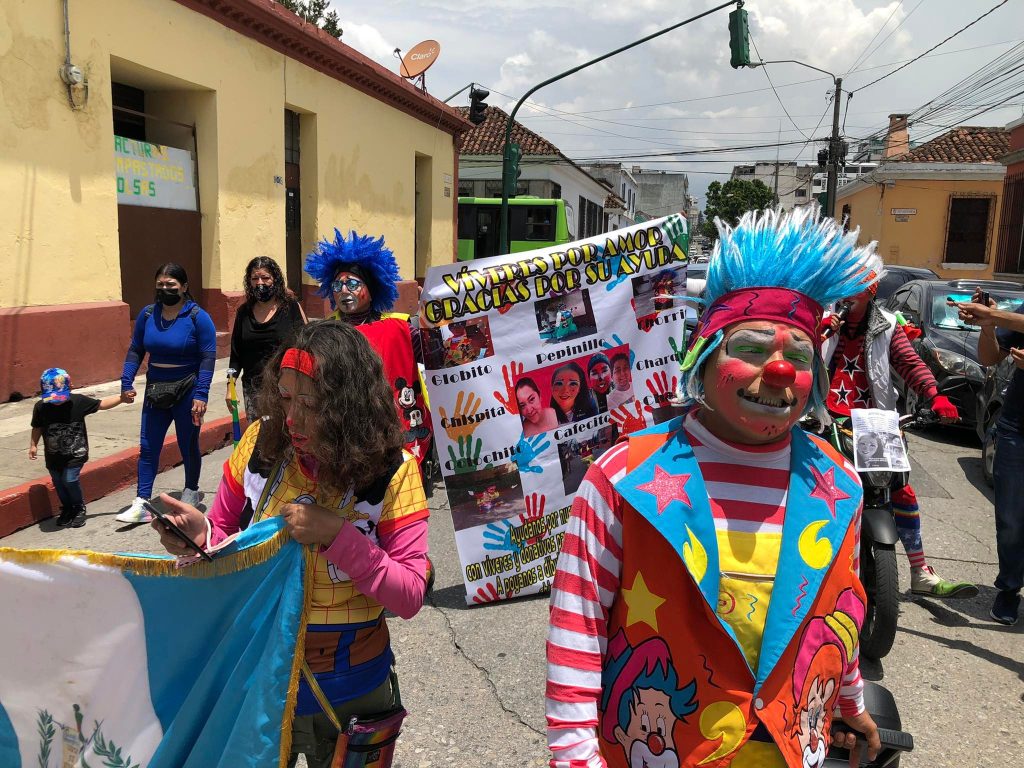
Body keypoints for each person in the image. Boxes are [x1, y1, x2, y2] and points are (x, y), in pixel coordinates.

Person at [547, 207, 883, 768]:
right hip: (655, 748)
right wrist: (571, 757)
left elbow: (839, 610)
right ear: (701, 360)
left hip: (788, 750)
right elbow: (577, 629)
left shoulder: (837, 483)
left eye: (798, 356)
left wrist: (850, 701)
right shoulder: (622, 476)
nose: (777, 371)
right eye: (751, 349)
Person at [152, 321, 429, 767]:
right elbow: (227, 541)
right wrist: (199, 537)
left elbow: (411, 593)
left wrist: (338, 537)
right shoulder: (259, 445)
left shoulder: (394, 472)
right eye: (285, 398)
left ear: (347, 405)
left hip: (351, 693)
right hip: (259, 679)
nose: (293, 418)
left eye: (312, 404)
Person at [821, 279, 976, 599]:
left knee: (899, 490)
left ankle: (919, 570)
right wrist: (816, 332)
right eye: (843, 284)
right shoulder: (821, 319)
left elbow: (910, 362)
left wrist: (934, 395)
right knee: (818, 493)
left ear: (872, 291)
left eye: (858, 286)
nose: (849, 293)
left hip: (872, 422)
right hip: (824, 420)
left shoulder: (887, 325)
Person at [304, 229, 432, 466]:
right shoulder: (322, 332)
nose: (344, 290)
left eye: (352, 283)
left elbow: (435, 353)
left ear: (372, 290)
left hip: (395, 429)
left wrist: (434, 321)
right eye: (337, 285)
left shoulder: (399, 327)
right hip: (345, 434)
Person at [117, 264, 217, 523]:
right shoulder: (148, 314)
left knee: (187, 444)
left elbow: (208, 356)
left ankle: (191, 491)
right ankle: (142, 502)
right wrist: (126, 379)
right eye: (160, 285)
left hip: (187, 389)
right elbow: (136, 348)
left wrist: (202, 394)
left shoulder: (197, 317)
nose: (165, 290)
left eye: (171, 286)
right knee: (148, 446)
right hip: (156, 389)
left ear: (184, 287)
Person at [955, 291, 1024, 625]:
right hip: (1016, 428)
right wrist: (987, 326)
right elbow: (989, 358)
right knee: (1011, 519)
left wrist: (994, 315)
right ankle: (1009, 589)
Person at [29, 368, 134, 528]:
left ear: (70, 387)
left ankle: (78, 507)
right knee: (58, 481)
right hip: (53, 455)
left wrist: (121, 398)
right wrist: (33, 445)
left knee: (69, 479)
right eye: (52, 398)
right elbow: (37, 427)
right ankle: (67, 508)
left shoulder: (78, 402)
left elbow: (101, 404)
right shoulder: (41, 407)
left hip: (76, 453)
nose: (56, 401)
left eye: (60, 397)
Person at [227, 256, 307, 421]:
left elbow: (305, 345)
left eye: (265, 277)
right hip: (253, 389)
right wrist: (230, 386)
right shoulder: (243, 312)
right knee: (258, 441)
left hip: (285, 388)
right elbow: (236, 354)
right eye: (255, 278)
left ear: (275, 279)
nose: (260, 283)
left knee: (288, 439)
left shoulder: (291, 307)